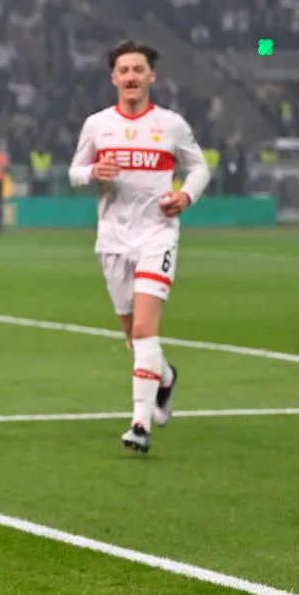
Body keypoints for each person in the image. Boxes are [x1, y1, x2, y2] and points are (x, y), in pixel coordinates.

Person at [68, 39, 210, 453]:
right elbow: (75, 172)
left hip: (157, 234)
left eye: (138, 69)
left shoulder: (171, 125)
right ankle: (165, 376)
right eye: (124, 70)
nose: (131, 76)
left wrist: (185, 196)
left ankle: (140, 423)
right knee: (134, 336)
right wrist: (94, 171)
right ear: (114, 78)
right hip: (112, 239)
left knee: (146, 330)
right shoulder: (98, 124)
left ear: (152, 77)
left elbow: (199, 168)